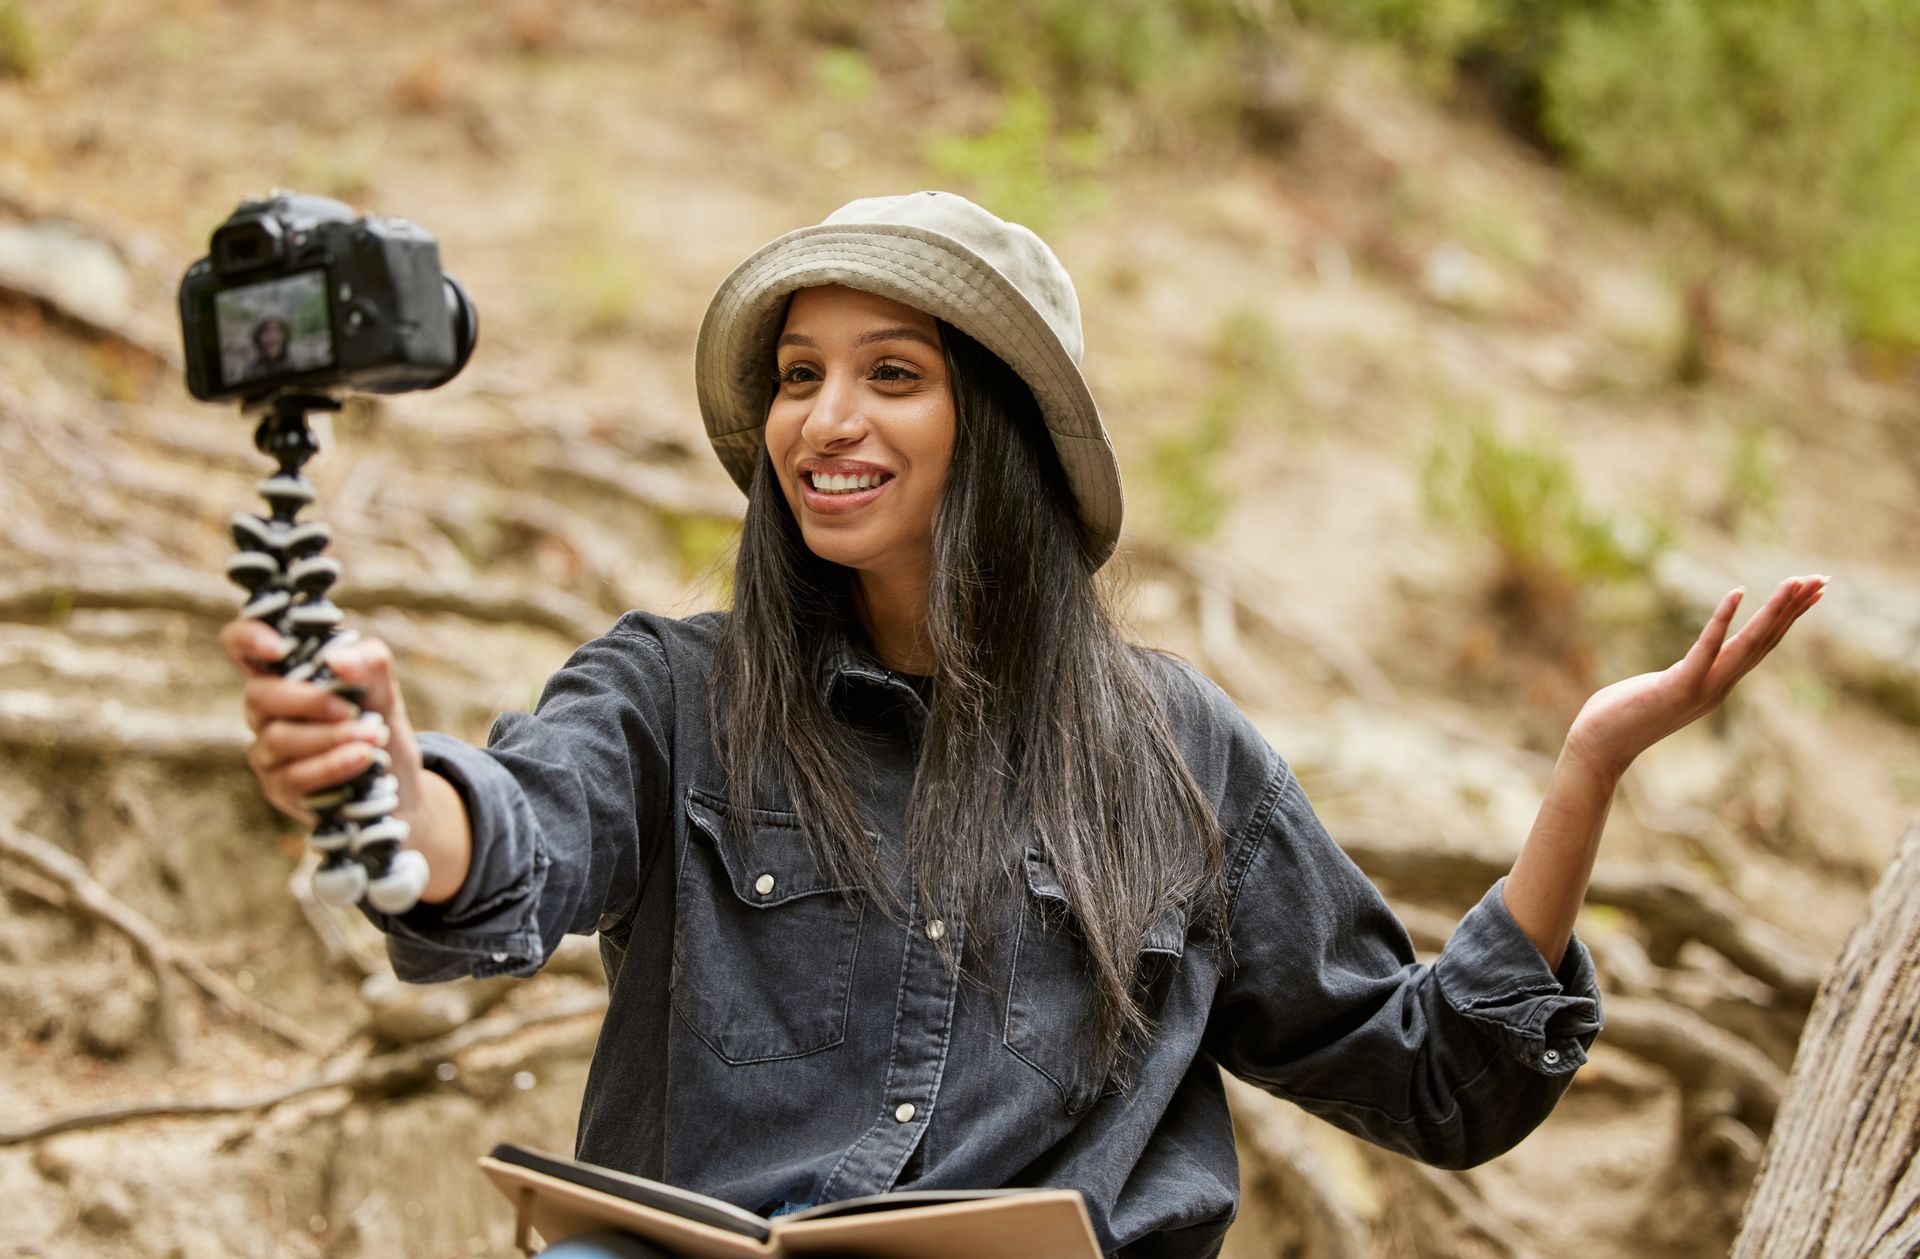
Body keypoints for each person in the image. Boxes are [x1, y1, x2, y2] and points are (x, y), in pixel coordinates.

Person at [218, 191, 1825, 1257]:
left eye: (891, 373)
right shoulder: (671, 692)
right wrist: (388, 787)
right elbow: (510, 837)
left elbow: (1426, 1081)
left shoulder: (1176, 756)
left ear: (998, 425)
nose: (824, 421)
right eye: (797, 375)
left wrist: (1586, 773)